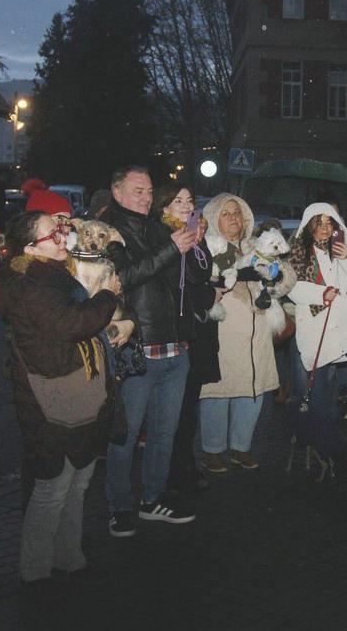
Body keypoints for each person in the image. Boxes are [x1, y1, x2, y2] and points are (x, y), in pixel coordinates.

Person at [0, 211, 132, 600]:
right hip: (51, 397)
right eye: (51, 233)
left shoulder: (56, 272)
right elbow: (75, 323)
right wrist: (108, 295)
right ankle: (35, 573)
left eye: (61, 230)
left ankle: (70, 561)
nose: (61, 236)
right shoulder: (32, 283)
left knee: (77, 481)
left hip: (75, 392)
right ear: (28, 247)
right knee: (52, 486)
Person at [102, 167, 199, 537]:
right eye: (137, 190)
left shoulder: (158, 226)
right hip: (138, 350)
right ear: (117, 192)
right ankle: (119, 506)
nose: (145, 197)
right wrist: (171, 249)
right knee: (125, 436)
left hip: (175, 347)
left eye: (148, 191)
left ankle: (153, 499)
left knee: (164, 432)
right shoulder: (111, 231)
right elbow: (121, 279)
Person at [199, 194, 296, 472]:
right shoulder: (207, 247)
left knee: (252, 389)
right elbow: (203, 279)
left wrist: (275, 280)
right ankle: (212, 449)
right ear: (215, 217)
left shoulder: (258, 245)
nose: (233, 219)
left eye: (237, 213)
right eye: (226, 213)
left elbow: (288, 276)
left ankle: (242, 446)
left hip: (258, 330)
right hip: (224, 328)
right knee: (219, 390)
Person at [287, 202, 347, 460]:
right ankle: (324, 447)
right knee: (320, 395)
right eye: (319, 223)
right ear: (309, 227)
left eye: (329, 223)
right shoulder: (298, 252)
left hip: (345, 323)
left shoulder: (343, 250)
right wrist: (320, 293)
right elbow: (291, 287)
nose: (324, 228)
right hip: (316, 326)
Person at [151, 183, 219, 492]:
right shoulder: (164, 238)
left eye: (189, 200)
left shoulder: (192, 236)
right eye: (177, 200)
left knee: (188, 406)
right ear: (163, 207)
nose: (185, 204)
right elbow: (193, 286)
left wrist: (198, 242)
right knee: (173, 411)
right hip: (175, 334)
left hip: (194, 333)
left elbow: (201, 274)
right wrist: (211, 293)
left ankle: (184, 462)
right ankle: (172, 471)